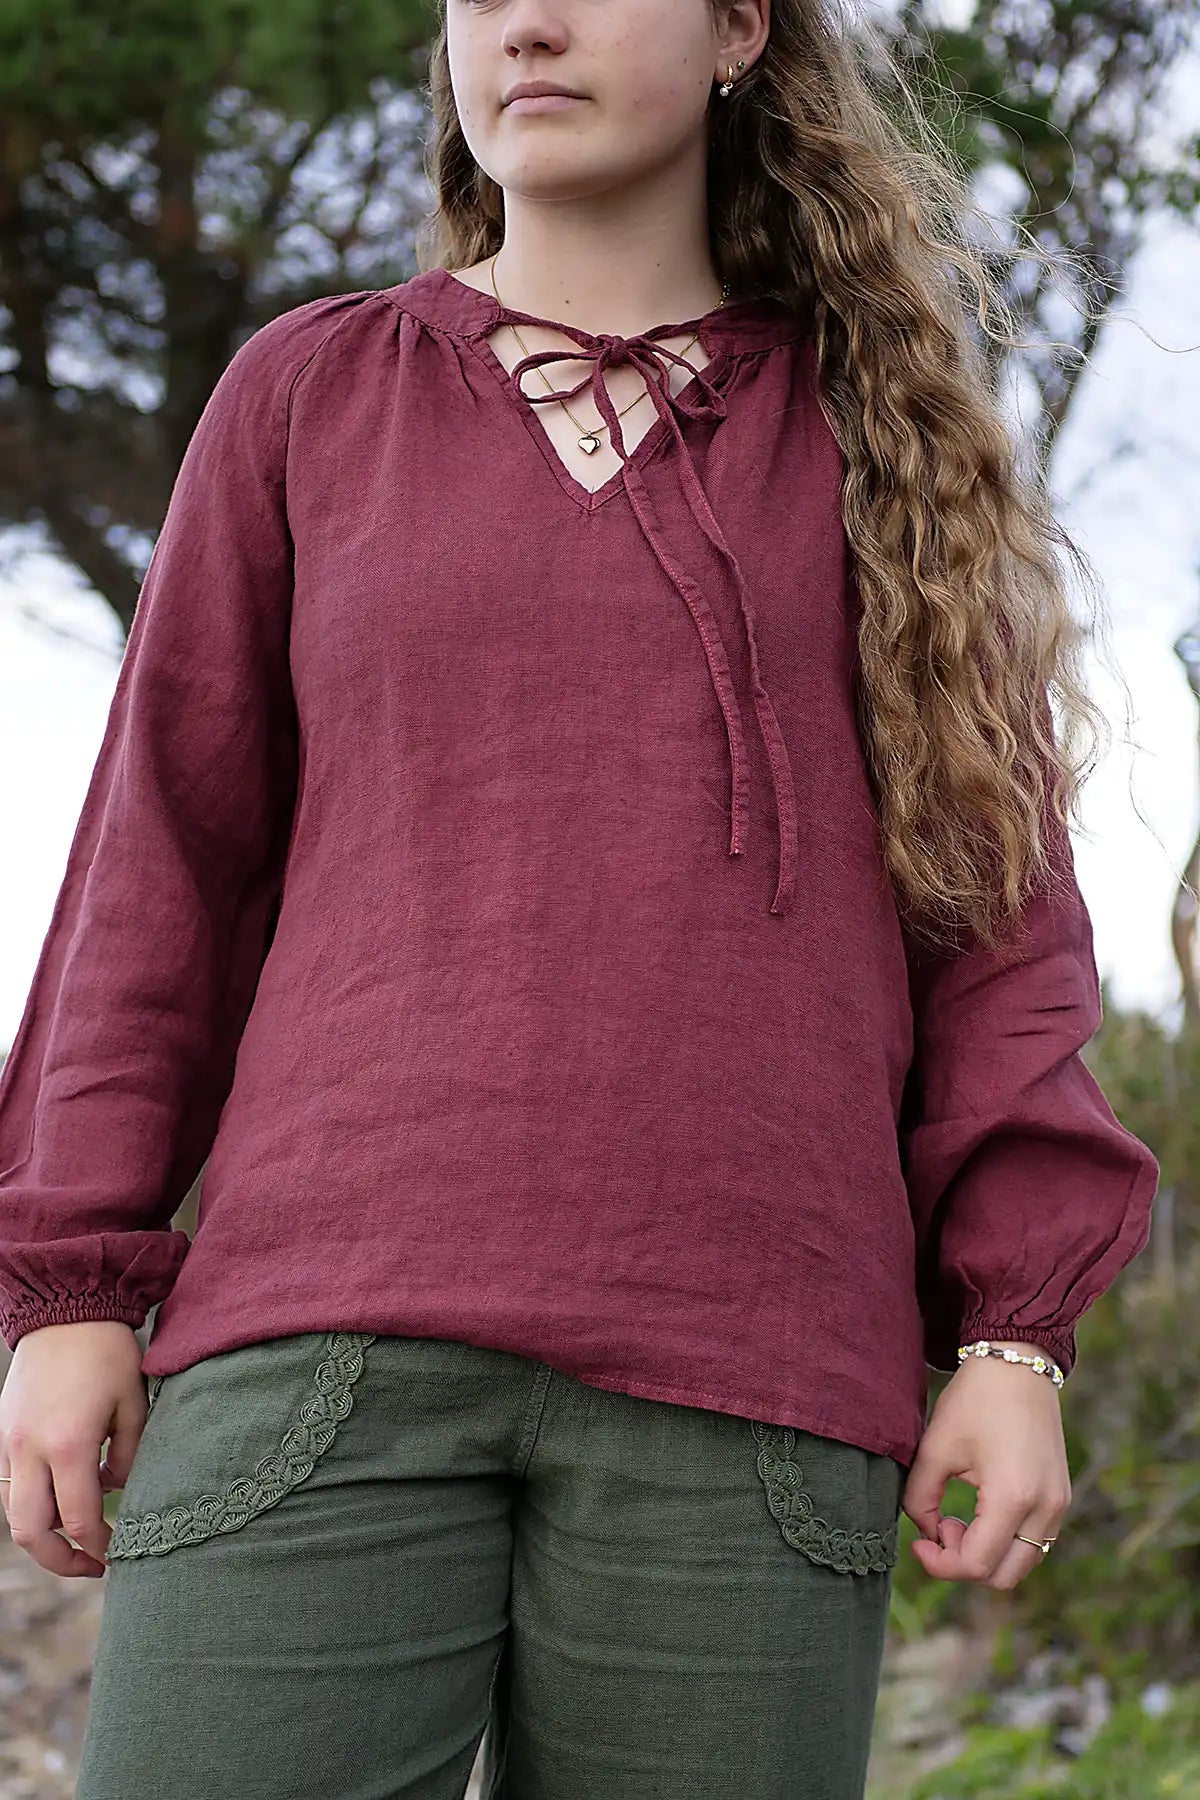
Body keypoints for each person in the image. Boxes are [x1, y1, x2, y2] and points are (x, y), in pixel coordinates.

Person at [0, 1, 1160, 1796]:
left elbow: (1003, 933)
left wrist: (1015, 1333)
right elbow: (163, 860)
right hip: (316, 1350)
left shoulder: (889, 448)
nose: (525, 23)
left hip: (751, 1381)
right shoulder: (310, 395)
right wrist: (70, 1277)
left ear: (736, 32)